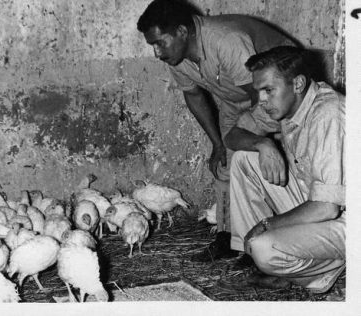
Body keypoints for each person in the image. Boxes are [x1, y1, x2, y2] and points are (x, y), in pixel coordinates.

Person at [137, 0, 295, 261]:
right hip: (237, 102)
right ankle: (229, 238)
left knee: (253, 164)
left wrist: (254, 140)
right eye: (152, 45)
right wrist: (218, 143)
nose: (156, 52)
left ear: (182, 32)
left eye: (159, 43)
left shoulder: (226, 42)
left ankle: (264, 245)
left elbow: (261, 95)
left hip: (277, 97)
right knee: (225, 166)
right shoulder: (176, 57)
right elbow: (195, 96)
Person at [225, 46, 345, 292]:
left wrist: (269, 224)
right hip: (316, 202)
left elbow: (327, 207)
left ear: (298, 83)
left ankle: (320, 272)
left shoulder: (328, 113)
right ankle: (261, 261)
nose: (262, 100)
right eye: (259, 91)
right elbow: (232, 136)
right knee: (244, 159)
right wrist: (263, 142)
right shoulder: (288, 102)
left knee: (264, 247)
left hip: (345, 219)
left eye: (268, 90)